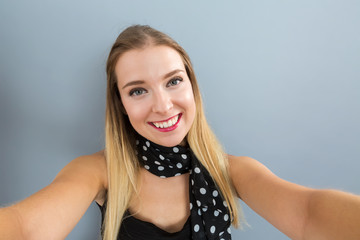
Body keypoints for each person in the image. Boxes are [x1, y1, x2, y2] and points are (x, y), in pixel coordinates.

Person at [1, 25, 360, 240]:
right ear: (121, 105)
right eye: (138, 90)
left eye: (173, 81)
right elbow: (25, 228)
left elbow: (308, 213)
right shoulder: (99, 172)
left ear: (192, 88)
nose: (163, 105)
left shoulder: (230, 171)